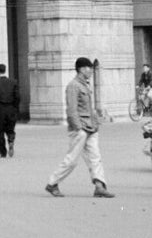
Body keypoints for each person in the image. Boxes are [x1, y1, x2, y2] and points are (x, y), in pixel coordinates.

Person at [46, 57, 114, 198]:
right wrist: (79, 128)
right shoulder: (73, 86)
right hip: (80, 129)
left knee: (95, 157)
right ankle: (52, 183)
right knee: (71, 160)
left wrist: (95, 123)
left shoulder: (85, 85)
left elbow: (89, 108)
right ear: (82, 69)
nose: (91, 71)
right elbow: (71, 110)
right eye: (89, 68)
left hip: (90, 128)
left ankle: (99, 186)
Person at [0, 64, 20, 158]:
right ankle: (10, 140)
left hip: (0, 109)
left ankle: (3, 152)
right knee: (10, 128)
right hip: (11, 108)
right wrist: (15, 107)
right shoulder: (13, 82)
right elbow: (17, 96)